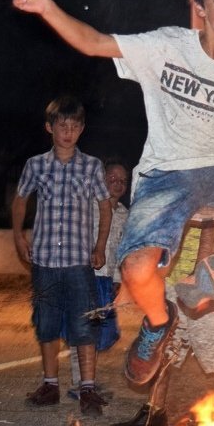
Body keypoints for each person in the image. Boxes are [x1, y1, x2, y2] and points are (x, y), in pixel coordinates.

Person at [10, 0, 214, 386]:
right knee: (136, 270)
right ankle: (158, 322)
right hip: (165, 175)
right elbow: (94, 41)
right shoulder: (168, 45)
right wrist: (46, 7)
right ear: (199, 6)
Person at [110, 223, 214, 426]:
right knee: (162, 349)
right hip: (173, 284)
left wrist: (198, 284)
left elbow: (210, 226)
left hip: (202, 287)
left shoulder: (206, 196)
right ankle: (154, 414)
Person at [11, 95, 112, 417]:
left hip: (78, 262)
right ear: (49, 128)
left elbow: (105, 207)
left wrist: (99, 246)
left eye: (74, 126)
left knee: (85, 326)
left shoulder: (92, 166)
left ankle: (88, 388)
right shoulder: (36, 165)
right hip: (44, 261)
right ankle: (50, 384)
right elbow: (20, 200)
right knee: (46, 324)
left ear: (81, 129)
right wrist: (18, 236)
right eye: (61, 126)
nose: (67, 132)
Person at [67, 160, 130, 400]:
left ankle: (88, 381)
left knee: (103, 333)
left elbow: (121, 251)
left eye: (122, 181)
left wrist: (116, 279)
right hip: (84, 276)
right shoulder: (87, 207)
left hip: (105, 279)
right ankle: (80, 385)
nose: (117, 184)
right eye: (112, 179)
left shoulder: (124, 214)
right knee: (83, 331)